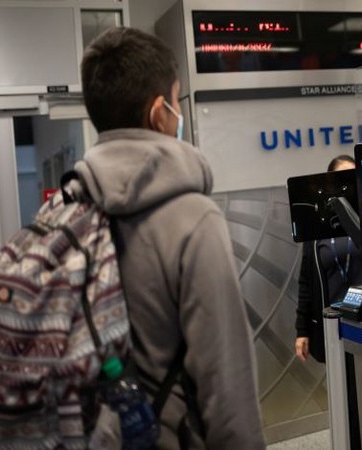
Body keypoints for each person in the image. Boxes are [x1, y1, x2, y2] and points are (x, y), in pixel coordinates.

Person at [76, 27, 265, 449]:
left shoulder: (72, 207)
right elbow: (226, 382)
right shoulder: (192, 219)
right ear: (160, 112)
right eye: (177, 100)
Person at [294, 155, 362, 363]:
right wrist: (302, 331)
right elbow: (306, 282)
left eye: (351, 178)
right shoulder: (317, 231)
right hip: (332, 323)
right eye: (340, 178)